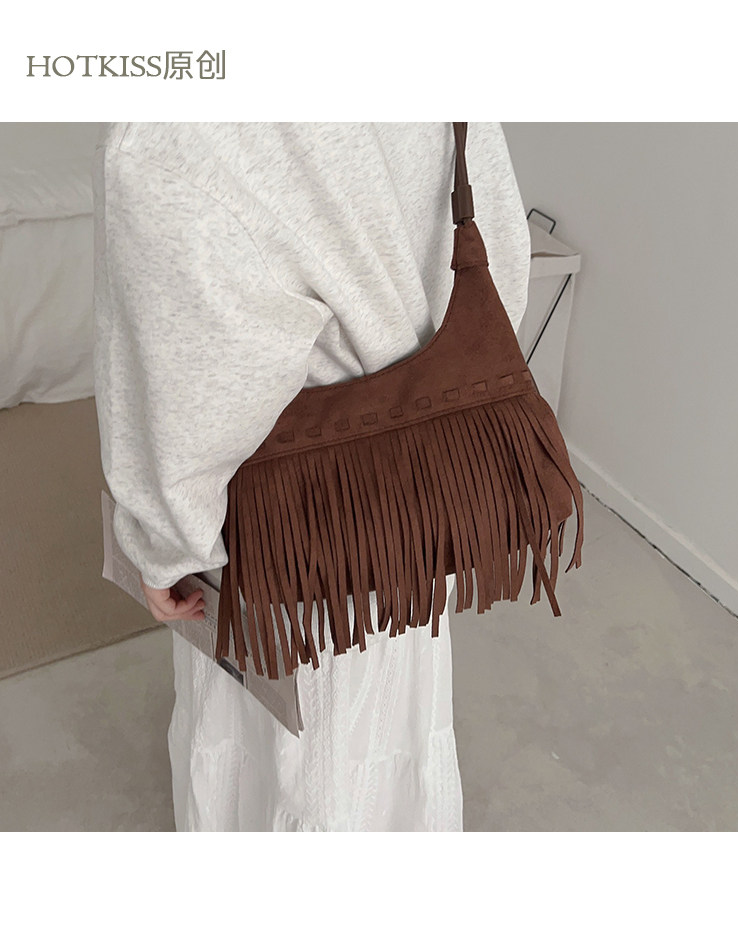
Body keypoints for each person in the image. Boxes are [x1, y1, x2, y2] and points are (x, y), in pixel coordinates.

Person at [92, 122, 530, 831]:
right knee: (387, 747)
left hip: (290, 541)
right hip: (421, 505)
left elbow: (191, 385)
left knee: (284, 769)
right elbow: (495, 238)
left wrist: (165, 547)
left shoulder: (169, 129)